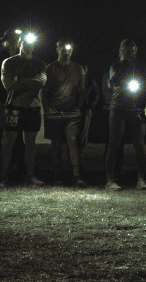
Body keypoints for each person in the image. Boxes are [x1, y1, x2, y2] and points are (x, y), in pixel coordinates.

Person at [0, 32, 47, 188]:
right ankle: (3, 177)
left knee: (31, 143)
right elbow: (8, 85)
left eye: (32, 42)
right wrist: (31, 81)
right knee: (9, 142)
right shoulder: (9, 62)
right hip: (14, 106)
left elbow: (41, 83)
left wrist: (20, 79)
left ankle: (30, 176)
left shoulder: (40, 63)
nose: (28, 45)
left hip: (33, 108)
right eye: (25, 41)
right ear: (20, 42)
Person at [104, 39, 146, 191]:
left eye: (132, 51)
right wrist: (124, 66)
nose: (130, 53)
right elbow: (113, 81)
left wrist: (145, 109)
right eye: (127, 51)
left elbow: (145, 89)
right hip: (118, 109)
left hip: (136, 109)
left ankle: (141, 179)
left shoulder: (138, 67)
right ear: (122, 51)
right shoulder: (115, 66)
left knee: (139, 145)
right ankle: (110, 180)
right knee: (114, 144)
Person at [43, 39, 89, 187]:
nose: (67, 52)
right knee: (55, 143)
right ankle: (57, 175)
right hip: (54, 112)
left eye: (69, 50)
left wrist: (79, 107)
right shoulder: (50, 68)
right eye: (64, 49)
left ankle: (76, 175)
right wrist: (46, 110)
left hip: (72, 113)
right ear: (57, 49)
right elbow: (44, 91)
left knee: (73, 140)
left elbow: (82, 90)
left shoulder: (78, 68)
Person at [0, 30, 23, 182]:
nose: (14, 41)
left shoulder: (25, 58)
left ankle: (15, 169)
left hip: (18, 104)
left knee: (17, 137)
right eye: (11, 39)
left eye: (17, 39)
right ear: (5, 41)